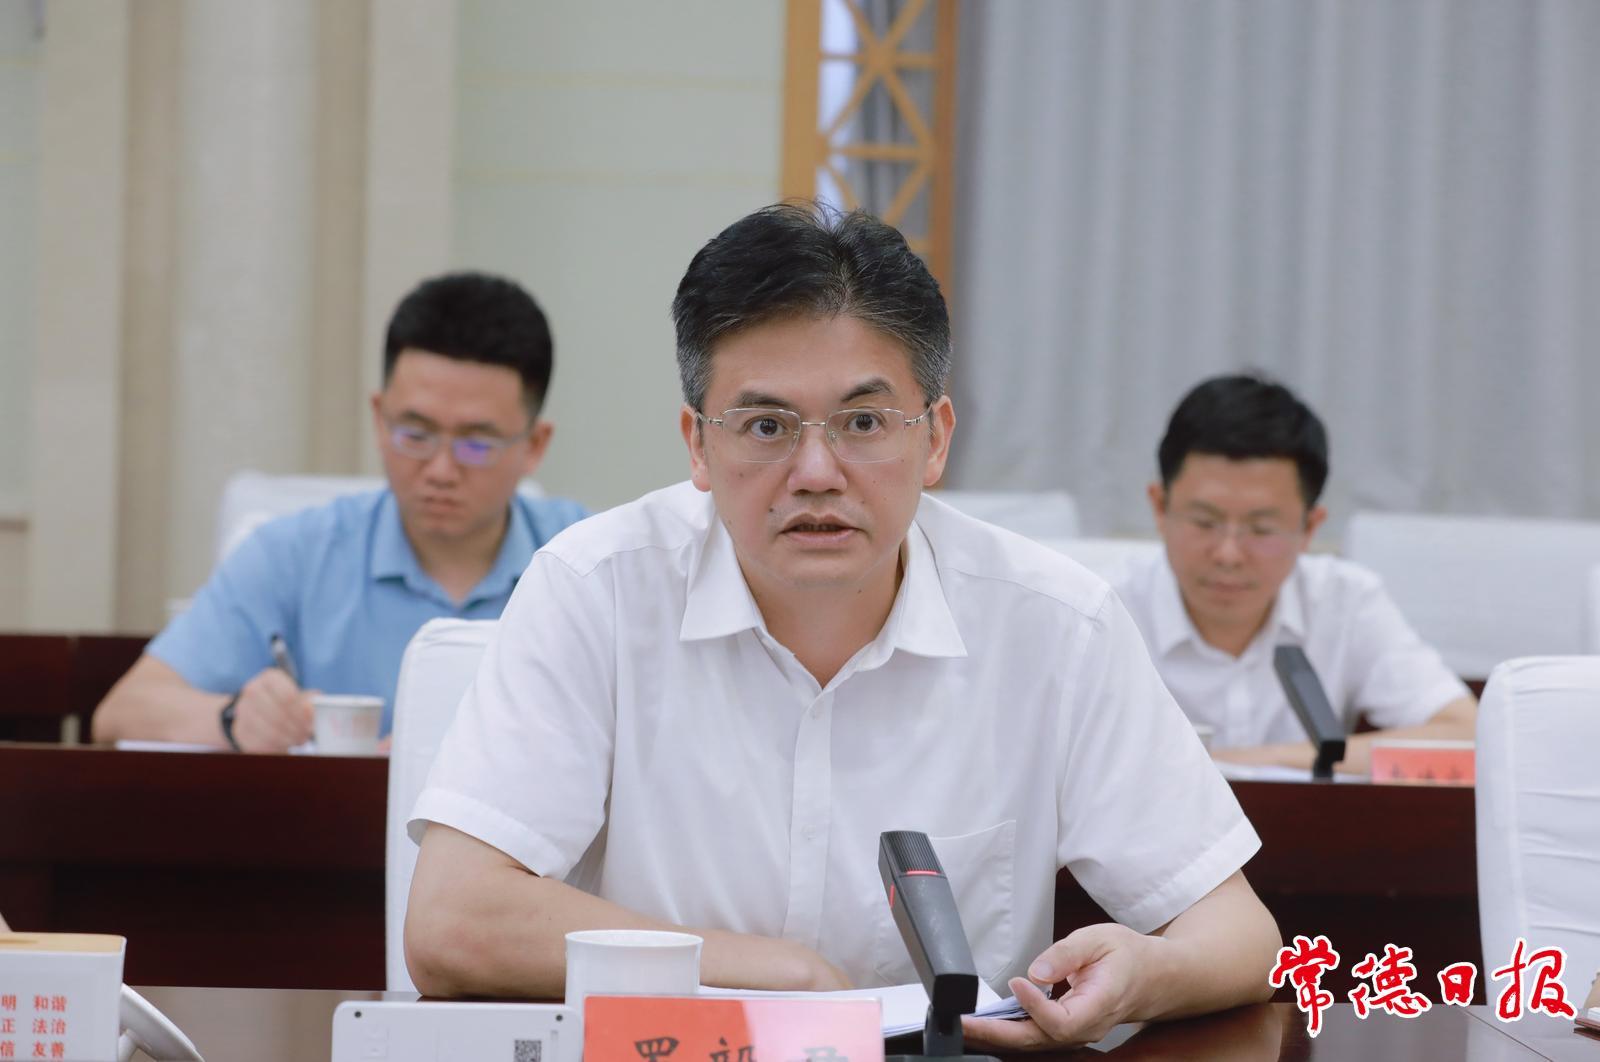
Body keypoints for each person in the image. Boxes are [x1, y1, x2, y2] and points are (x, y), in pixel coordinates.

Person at [404, 203, 1280, 1051]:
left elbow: (1240, 934)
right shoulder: (594, 590)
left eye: (863, 422)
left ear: (935, 438)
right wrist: (778, 974)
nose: (817, 471)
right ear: (699, 445)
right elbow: (451, 923)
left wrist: (1146, 974)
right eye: (766, 425)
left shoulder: (1056, 625)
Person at [91, 272, 588, 752]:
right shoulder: (293, 555)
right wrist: (232, 718)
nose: (440, 470)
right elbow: (117, 716)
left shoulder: (590, 564)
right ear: (378, 419)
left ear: (535, 445)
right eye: (415, 434)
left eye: (476, 444)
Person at [1112, 373, 1476, 775]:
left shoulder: (1345, 602)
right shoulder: (1105, 612)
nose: (1228, 554)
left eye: (1261, 529)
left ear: (1309, 528)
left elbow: (1467, 735)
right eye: (1204, 522)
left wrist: (1242, 764)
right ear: (1159, 508)